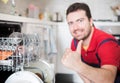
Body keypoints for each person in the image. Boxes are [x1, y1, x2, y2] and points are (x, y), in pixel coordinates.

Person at [61, 2, 120, 83]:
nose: (75, 28)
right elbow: (83, 73)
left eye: (80, 21)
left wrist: (77, 65)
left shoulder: (106, 42)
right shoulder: (75, 43)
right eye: (71, 23)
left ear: (90, 21)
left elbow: (108, 80)